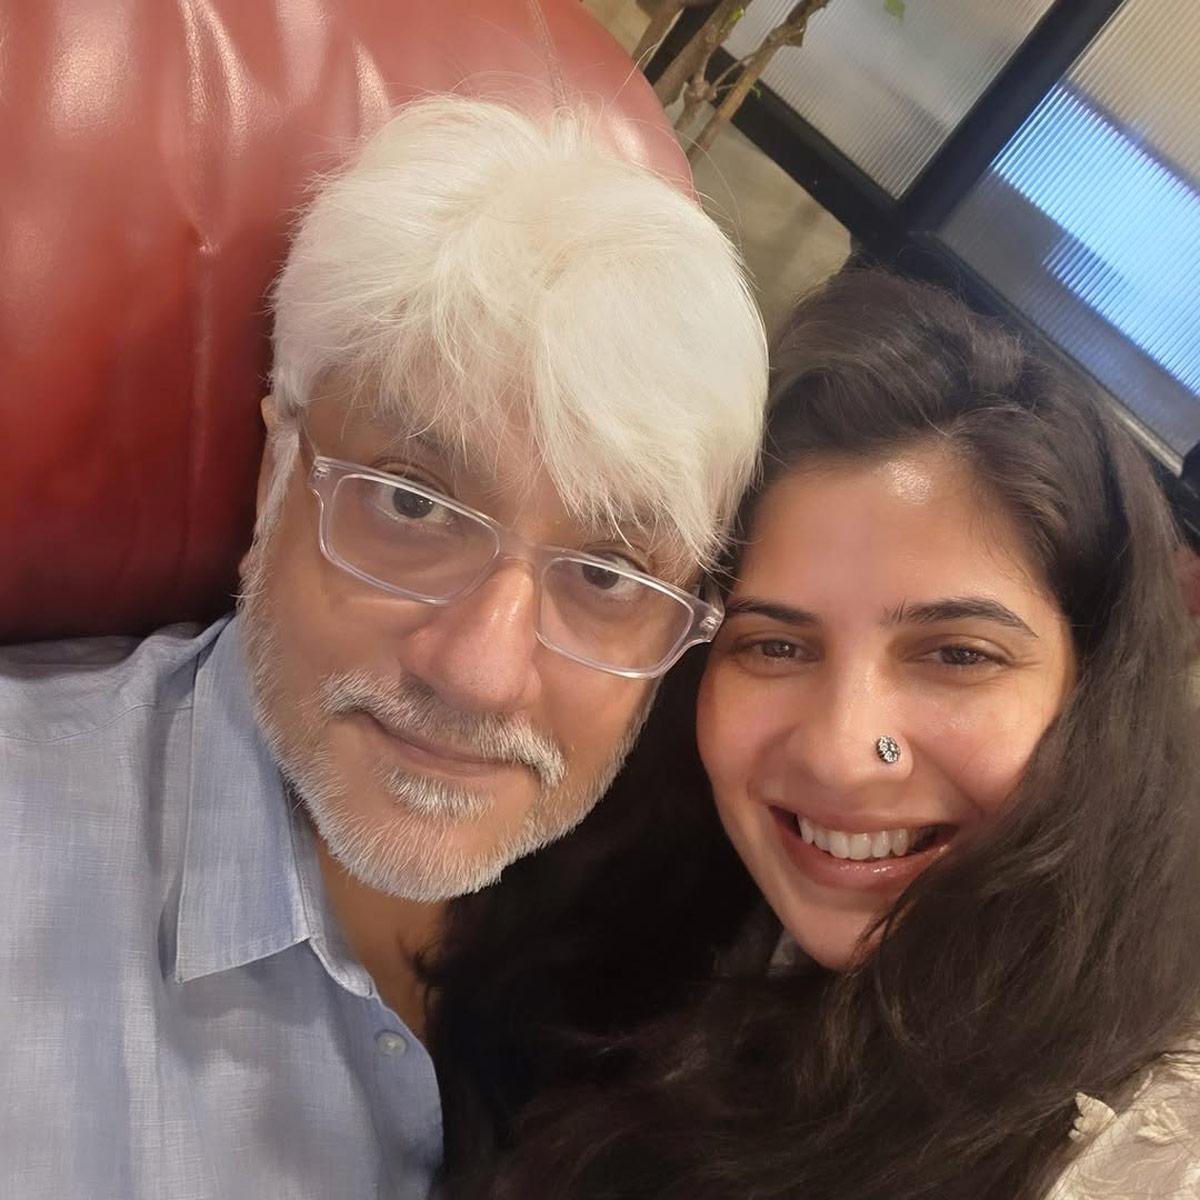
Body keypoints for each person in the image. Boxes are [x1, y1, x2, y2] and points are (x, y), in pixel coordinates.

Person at [0, 95, 767, 1198]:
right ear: (277, 473)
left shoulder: (695, 965)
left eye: (605, 575)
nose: (481, 672)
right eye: (412, 504)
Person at [455, 270, 1200, 1200]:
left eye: (956, 655)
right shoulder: (663, 905)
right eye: (774, 646)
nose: (846, 753)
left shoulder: (1141, 1147)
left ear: (1094, 693)